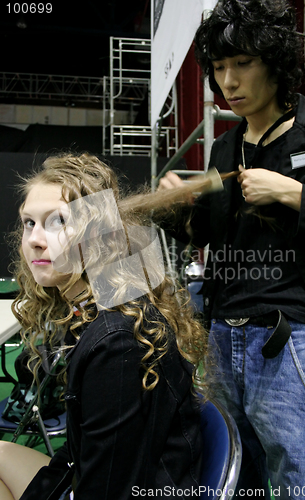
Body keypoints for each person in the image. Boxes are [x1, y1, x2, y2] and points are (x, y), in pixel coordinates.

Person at [159, 0, 305, 498]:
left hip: (290, 340)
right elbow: (208, 237)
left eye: (243, 63)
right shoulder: (224, 148)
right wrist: (179, 210)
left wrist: (290, 192)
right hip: (221, 336)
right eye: (218, 68)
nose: (229, 81)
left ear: (275, 61)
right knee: (236, 480)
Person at [0, 152, 208, 500]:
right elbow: (84, 449)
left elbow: (109, 488)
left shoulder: (118, 341)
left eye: (57, 222)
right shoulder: (93, 309)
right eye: (29, 223)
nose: (35, 239)